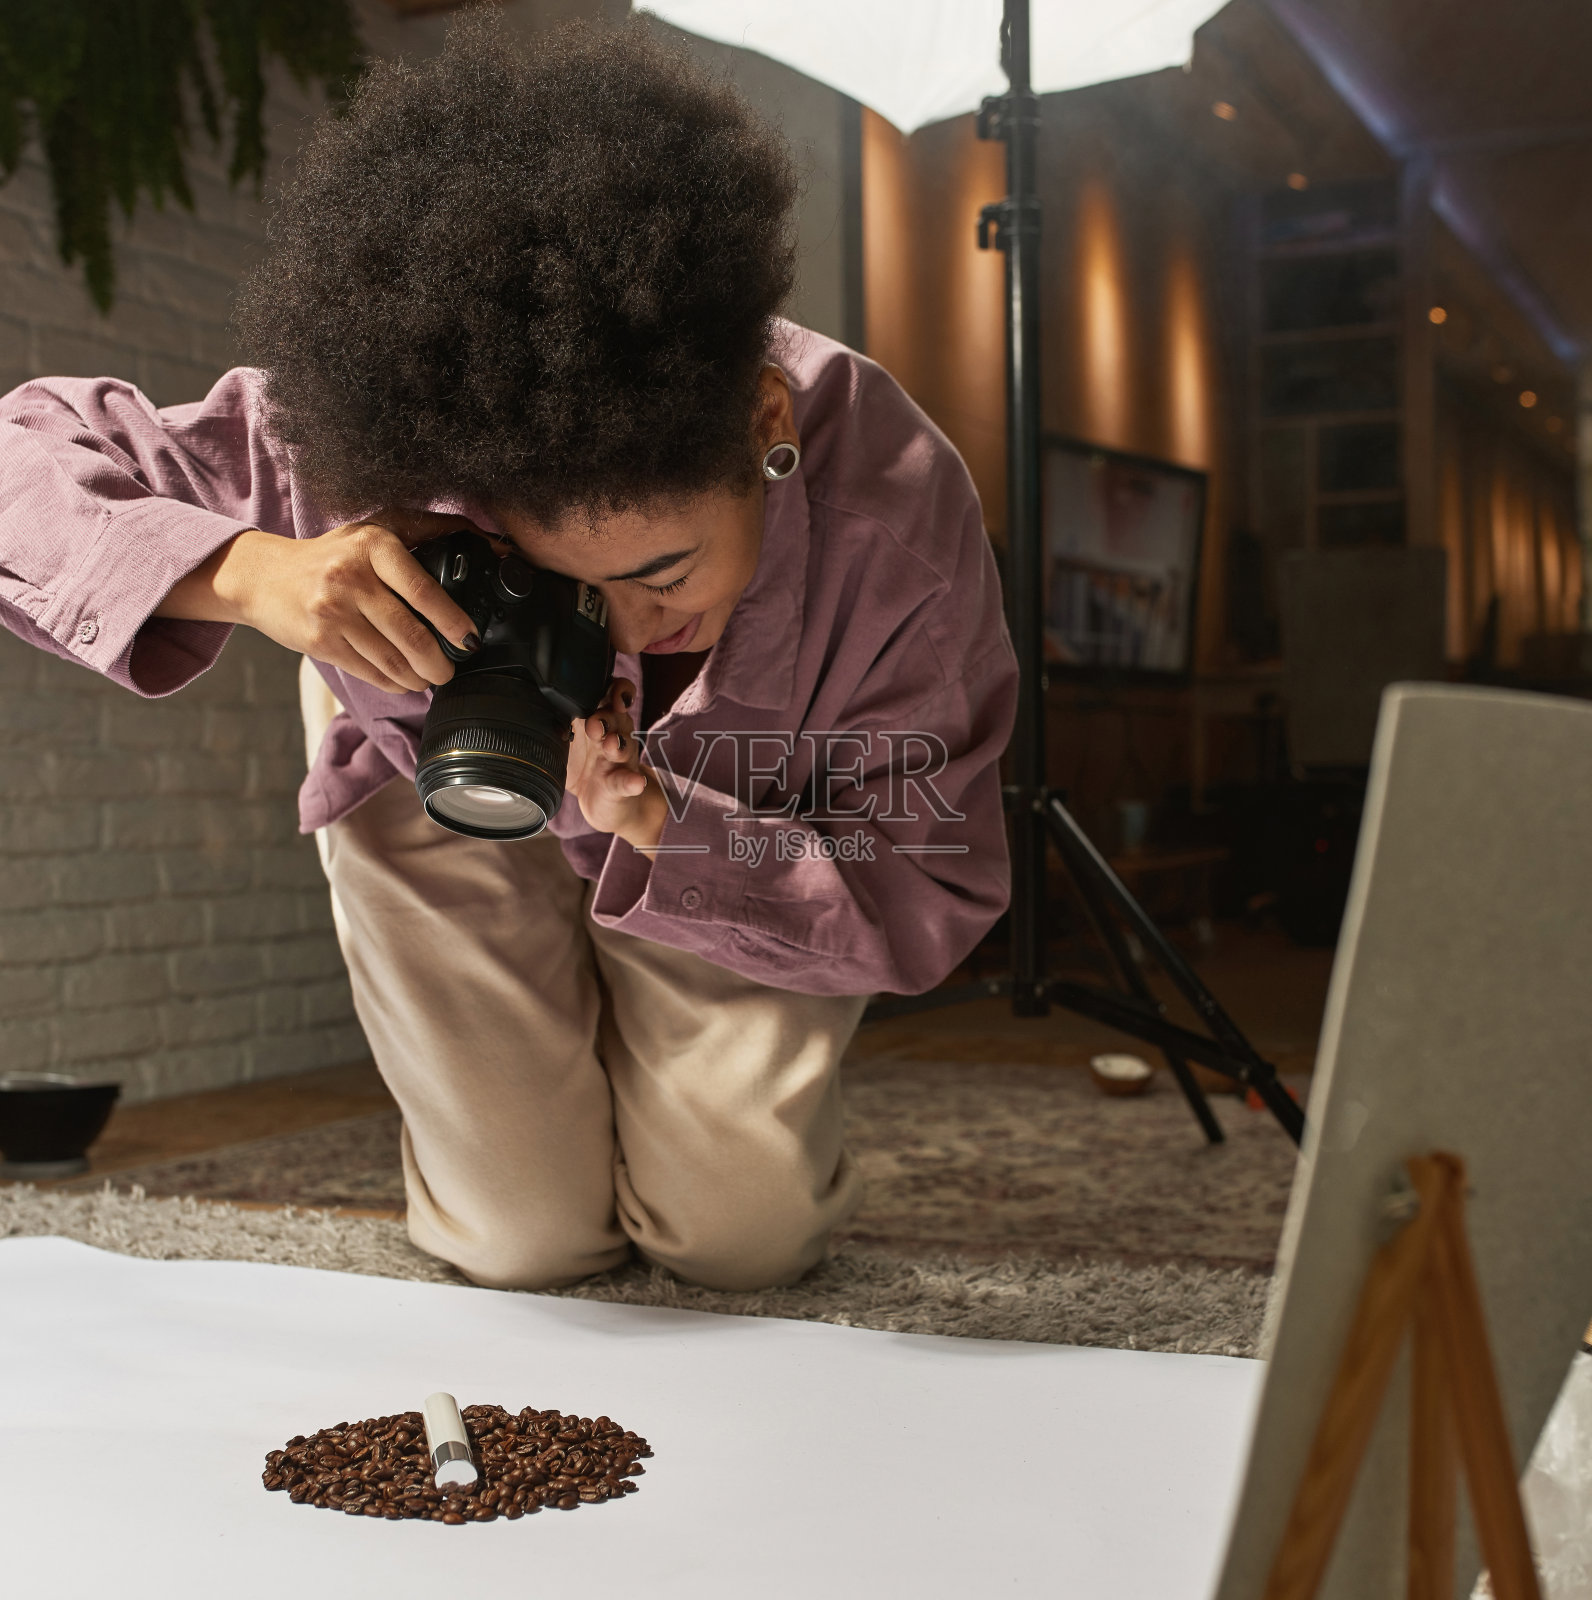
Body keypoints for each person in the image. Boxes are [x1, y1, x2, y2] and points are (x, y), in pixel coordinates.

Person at [0, 19, 1017, 1291]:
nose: (625, 640)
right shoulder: (379, 425)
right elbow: (17, 464)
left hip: (739, 827)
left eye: (663, 575)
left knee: (738, 1244)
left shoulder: (898, 530)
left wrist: (672, 827)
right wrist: (249, 572)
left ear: (765, 425)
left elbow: (926, 890)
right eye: (554, 582)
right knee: (524, 1246)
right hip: (429, 780)